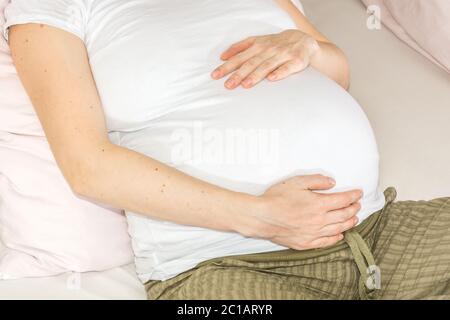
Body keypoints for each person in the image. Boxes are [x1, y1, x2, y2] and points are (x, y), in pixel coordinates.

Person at [3, 0, 449, 299]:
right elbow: (87, 166)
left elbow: (337, 70)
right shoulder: (50, 6)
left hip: (373, 230)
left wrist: (308, 47)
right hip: (224, 266)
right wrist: (261, 217)